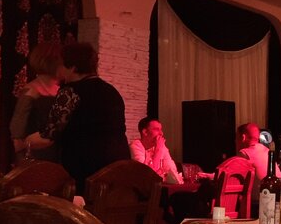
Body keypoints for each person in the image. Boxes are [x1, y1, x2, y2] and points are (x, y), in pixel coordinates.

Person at [27, 41, 129, 192]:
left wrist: (26, 142)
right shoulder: (111, 91)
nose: (58, 69)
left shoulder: (70, 91)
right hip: (117, 167)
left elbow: (49, 136)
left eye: (61, 65)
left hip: (86, 169)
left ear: (73, 68)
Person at [9, 41, 62, 164]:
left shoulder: (63, 90)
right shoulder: (31, 91)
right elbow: (17, 131)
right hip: (36, 156)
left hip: (59, 155)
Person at [130, 117, 180, 184]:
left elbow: (172, 171)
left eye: (161, 130)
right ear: (145, 132)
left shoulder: (162, 147)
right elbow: (147, 175)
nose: (161, 133)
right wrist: (158, 149)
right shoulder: (136, 146)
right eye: (157, 129)